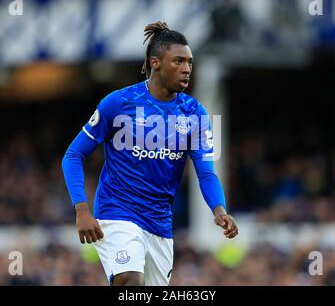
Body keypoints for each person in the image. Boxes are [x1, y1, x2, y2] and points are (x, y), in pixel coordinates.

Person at [62, 21, 238, 286]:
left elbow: (206, 173)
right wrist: (82, 209)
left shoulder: (196, 114)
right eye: (178, 61)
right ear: (155, 63)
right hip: (116, 212)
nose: (187, 68)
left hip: (159, 225)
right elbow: (73, 155)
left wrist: (219, 208)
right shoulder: (118, 103)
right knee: (130, 281)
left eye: (189, 62)